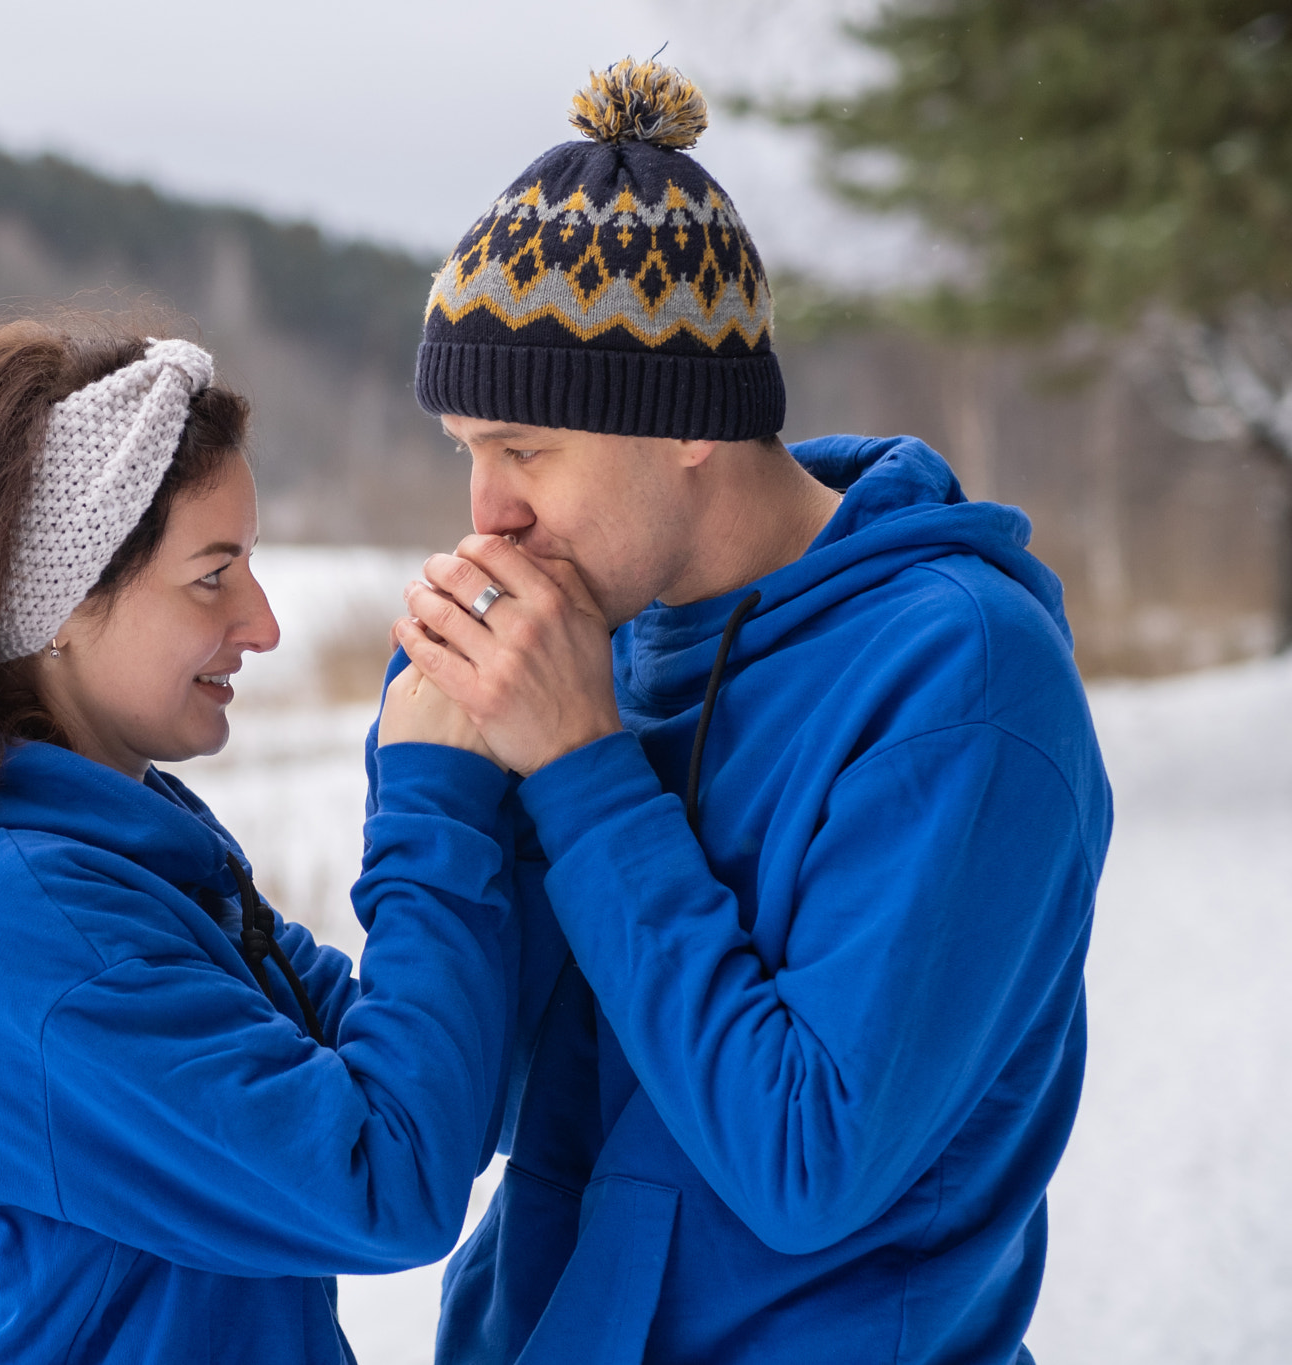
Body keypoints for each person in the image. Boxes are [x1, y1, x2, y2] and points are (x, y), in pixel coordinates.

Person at [381, 60, 1114, 1364]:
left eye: (524, 451)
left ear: (682, 423)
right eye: (467, 453)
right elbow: (479, 1104)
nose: (485, 516)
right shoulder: (591, 647)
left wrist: (583, 770)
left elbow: (808, 1163)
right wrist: (438, 790)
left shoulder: (962, 682)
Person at [0, 316, 515, 1363]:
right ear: (60, 604)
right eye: (212, 574)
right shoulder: (30, 927)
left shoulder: (114, 853)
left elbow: (433, 1073)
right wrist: (435, 803)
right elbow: (386, 1182)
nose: (263, 623)